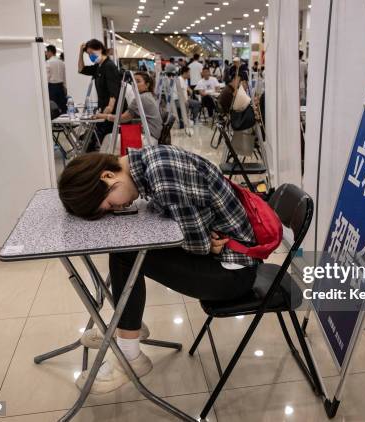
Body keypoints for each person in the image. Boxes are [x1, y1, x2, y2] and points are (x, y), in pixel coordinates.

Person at [58, 145, 259, 393]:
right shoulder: (148, 160)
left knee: (126, 253)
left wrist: (206, 244)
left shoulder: (161, 172)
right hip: (224, 258)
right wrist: (204, 242)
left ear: (108, 176)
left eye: (109, 204)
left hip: (232, 273)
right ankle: (126, 329)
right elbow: (187, 226)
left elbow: (196, 244)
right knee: (126, 249)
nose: (117, 209)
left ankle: (130, 355)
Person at [94, 72, 163, 143]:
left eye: (138, 81)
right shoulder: (148, 95)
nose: (134, 84)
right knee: (110, 137)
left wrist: (103, 116)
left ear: (147, 85)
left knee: (108, 139)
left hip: (148, 138)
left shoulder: (142, 98)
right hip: (153, 135)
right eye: (133, 81)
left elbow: (122, 118)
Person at [78, 39, 122, 150]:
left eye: (92, 53)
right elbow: (81, 69)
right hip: (103, 107)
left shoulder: (109, 66)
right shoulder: (99, 66)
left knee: (109, 142)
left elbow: (114, 89)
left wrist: (110, 107)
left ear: (100, 49)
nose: (90, 56)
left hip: (112, 108)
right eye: (88, 54)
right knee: (103, 141)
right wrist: (81, 52)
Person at [45, 45, 67, 113]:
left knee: (54, 108)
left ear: (50, 52)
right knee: (63, 107)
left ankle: (56, 123)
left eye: (46, 52)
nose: (46, 54)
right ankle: (64, 123)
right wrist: (65, 87)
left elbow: (47, 76)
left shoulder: (48, 62)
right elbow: (64, 76)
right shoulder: (61, 62)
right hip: (61, 87)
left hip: (52, 87)